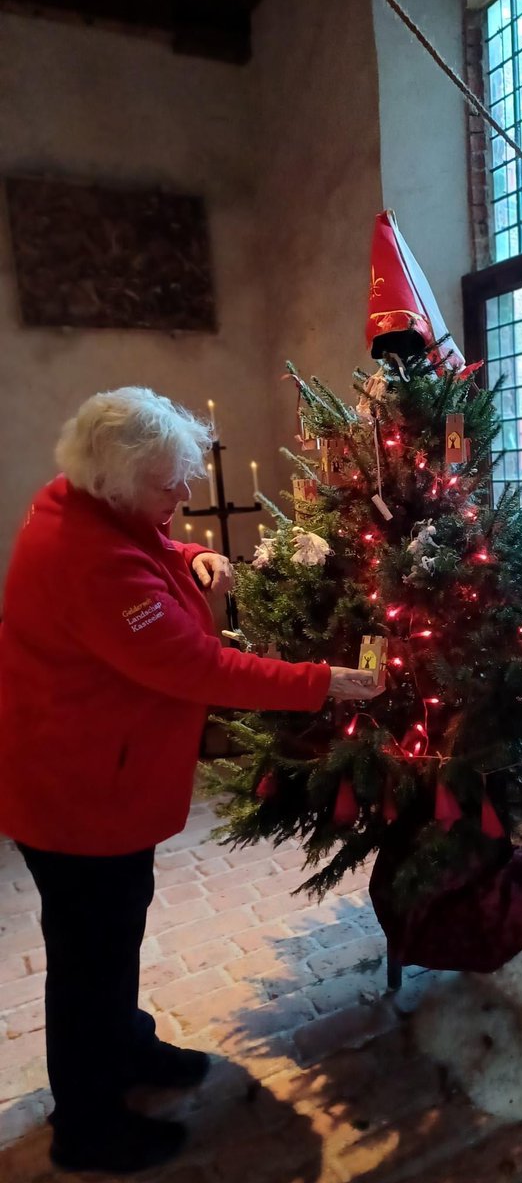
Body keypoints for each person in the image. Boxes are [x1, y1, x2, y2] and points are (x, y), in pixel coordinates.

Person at [0, 387, 383, 1174]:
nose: (184, 496)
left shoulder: (83, 505)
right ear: (117, 481)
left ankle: (127, 1048)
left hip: (94, 778)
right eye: (170, 482)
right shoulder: (86, 561)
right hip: (77, 792)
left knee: (116, 927)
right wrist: (324, 682)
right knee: (88, 955)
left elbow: (148, 546)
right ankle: (89, 1127)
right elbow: (194, 664)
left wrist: (188, 554)